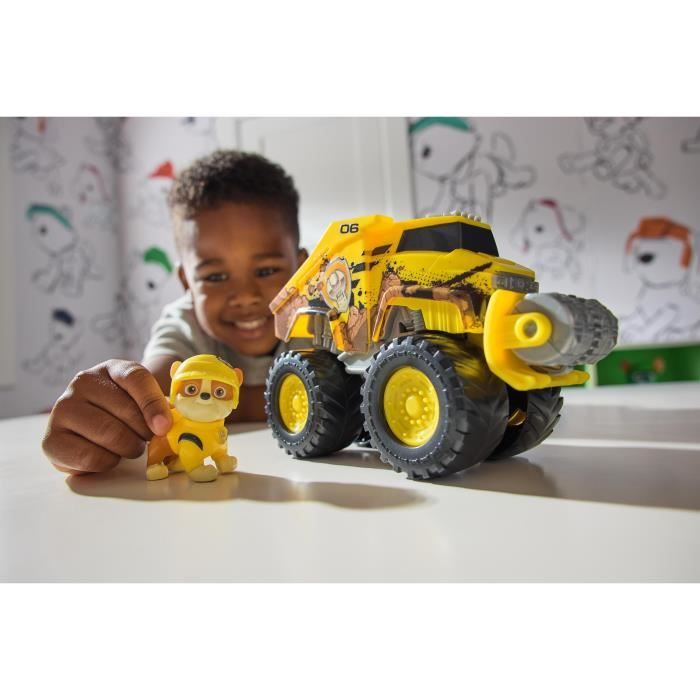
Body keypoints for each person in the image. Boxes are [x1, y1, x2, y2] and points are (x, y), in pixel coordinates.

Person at [42, 150, 307, 475]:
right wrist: (110, 406)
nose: (245, 297)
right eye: (215, 277)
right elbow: (155, 395)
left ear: (303, 269)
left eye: (266, 271)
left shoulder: (330, 317)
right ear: (186, 282)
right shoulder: (184, 324)